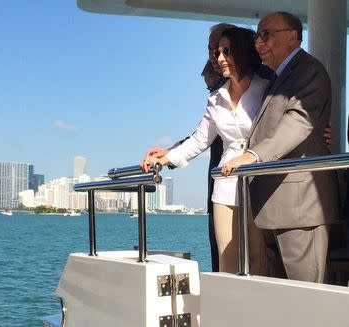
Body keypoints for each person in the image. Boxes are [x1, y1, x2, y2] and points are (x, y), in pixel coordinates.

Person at [221, 12, 339, 283]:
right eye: (256, 37)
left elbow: (298, 122)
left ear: (293, 36)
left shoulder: (309, 71)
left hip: (301, 208)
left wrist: (253, 155)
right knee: (285, 299)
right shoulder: (278, 77)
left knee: (306, 297)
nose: (259, 43)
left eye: (266, 34)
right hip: (277, 208)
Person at [142, 27, 269, 274]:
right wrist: (165, 157)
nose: (219, 58)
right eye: (217, 52)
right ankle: (228, 311)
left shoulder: (267, 89)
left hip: (261, 181)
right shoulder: (215, 98)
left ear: (242, 52)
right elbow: (200, 140)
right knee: (227, 260)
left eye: (226, 51)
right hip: (225, 184)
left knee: (259, 259)